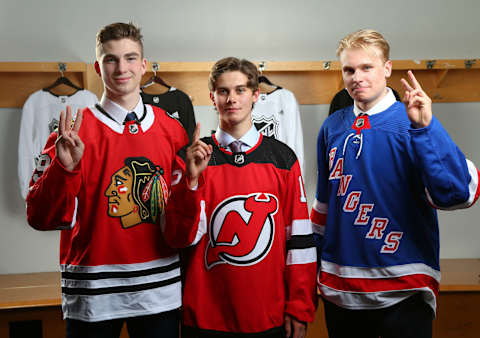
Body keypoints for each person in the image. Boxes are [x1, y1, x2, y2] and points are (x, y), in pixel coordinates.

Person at [310, 29, 479, 338]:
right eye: (349, 69)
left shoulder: (412, 121)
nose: (356, 77)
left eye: (366, 67)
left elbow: (460, 193)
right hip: (340, 290)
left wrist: (427, 128)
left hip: (404, 288)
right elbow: (323, 210)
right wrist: (311, 277)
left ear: (386, 69)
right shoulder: (333, 126)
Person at [26, 22, 188, 338]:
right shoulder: (72, 131)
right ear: (98, 67)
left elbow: (185, 217)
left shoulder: (172, 130)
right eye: (111, 59)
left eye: (130, 58)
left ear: (143, 66)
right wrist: (63, 168)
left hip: (160, 291)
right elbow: (40, 217)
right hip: (92, 293)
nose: (121, 68)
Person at [164, 57, 317, 338]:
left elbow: (299, 239)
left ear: (256, 94)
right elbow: (176, 237)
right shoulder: (190, 158)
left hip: (267, 315)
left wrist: (299, 305)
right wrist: (192, 181)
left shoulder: (283, 159)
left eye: (240, 90)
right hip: (205, 316)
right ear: (212, 97)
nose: (231, 99)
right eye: (223, 91)